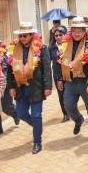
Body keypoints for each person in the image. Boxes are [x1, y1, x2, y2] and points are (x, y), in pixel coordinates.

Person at [7, 22, 52, 154]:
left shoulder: (42, 48)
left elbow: (46, 69)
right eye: (21, 36)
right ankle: (36, 126)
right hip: (20, 88)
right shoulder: (13, 49)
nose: (22, 38)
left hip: (36, 87)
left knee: (37, 115)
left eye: (25, 35)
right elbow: (10, 71)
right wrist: (10, 87)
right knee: (21, 113)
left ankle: (37, 142)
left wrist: (48, 86)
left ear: (32, 35)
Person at [58, 17, 88, 142]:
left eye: (80, 31)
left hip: (85, 81)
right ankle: (79, 120)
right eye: (74, 30)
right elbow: (62, 62)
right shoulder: (65, 44)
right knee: (68, 106)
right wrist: (60, 78)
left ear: (84, 31)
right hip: (70, 81)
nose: (77, 33)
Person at [49, 27, 69, 123]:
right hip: (58, 76)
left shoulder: (70, 45)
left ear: (65, 35)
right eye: (56, 35)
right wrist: (58, 79)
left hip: (70, 75)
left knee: (70, 95)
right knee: (61, 95)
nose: (58, 37)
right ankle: (65, 114)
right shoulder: (51, 48)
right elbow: (49, 63)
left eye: (60, 35)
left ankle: (72, 111)